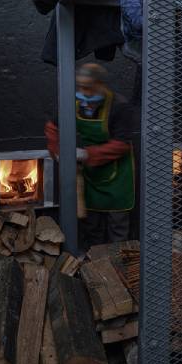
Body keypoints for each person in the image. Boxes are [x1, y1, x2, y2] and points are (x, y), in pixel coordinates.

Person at [45, 63, 136, 247]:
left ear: (100, 84)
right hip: (91, 176)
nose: (83, 91)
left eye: (88, 86)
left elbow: (122, 144)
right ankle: (94, 265)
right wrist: (57, 152)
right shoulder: (75, 103)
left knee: (117, 229)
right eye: (80, 86)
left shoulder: (119, 106)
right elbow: (52, 127)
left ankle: (117, 267)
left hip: (117, 177)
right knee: (92, 226)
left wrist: (87, 154)